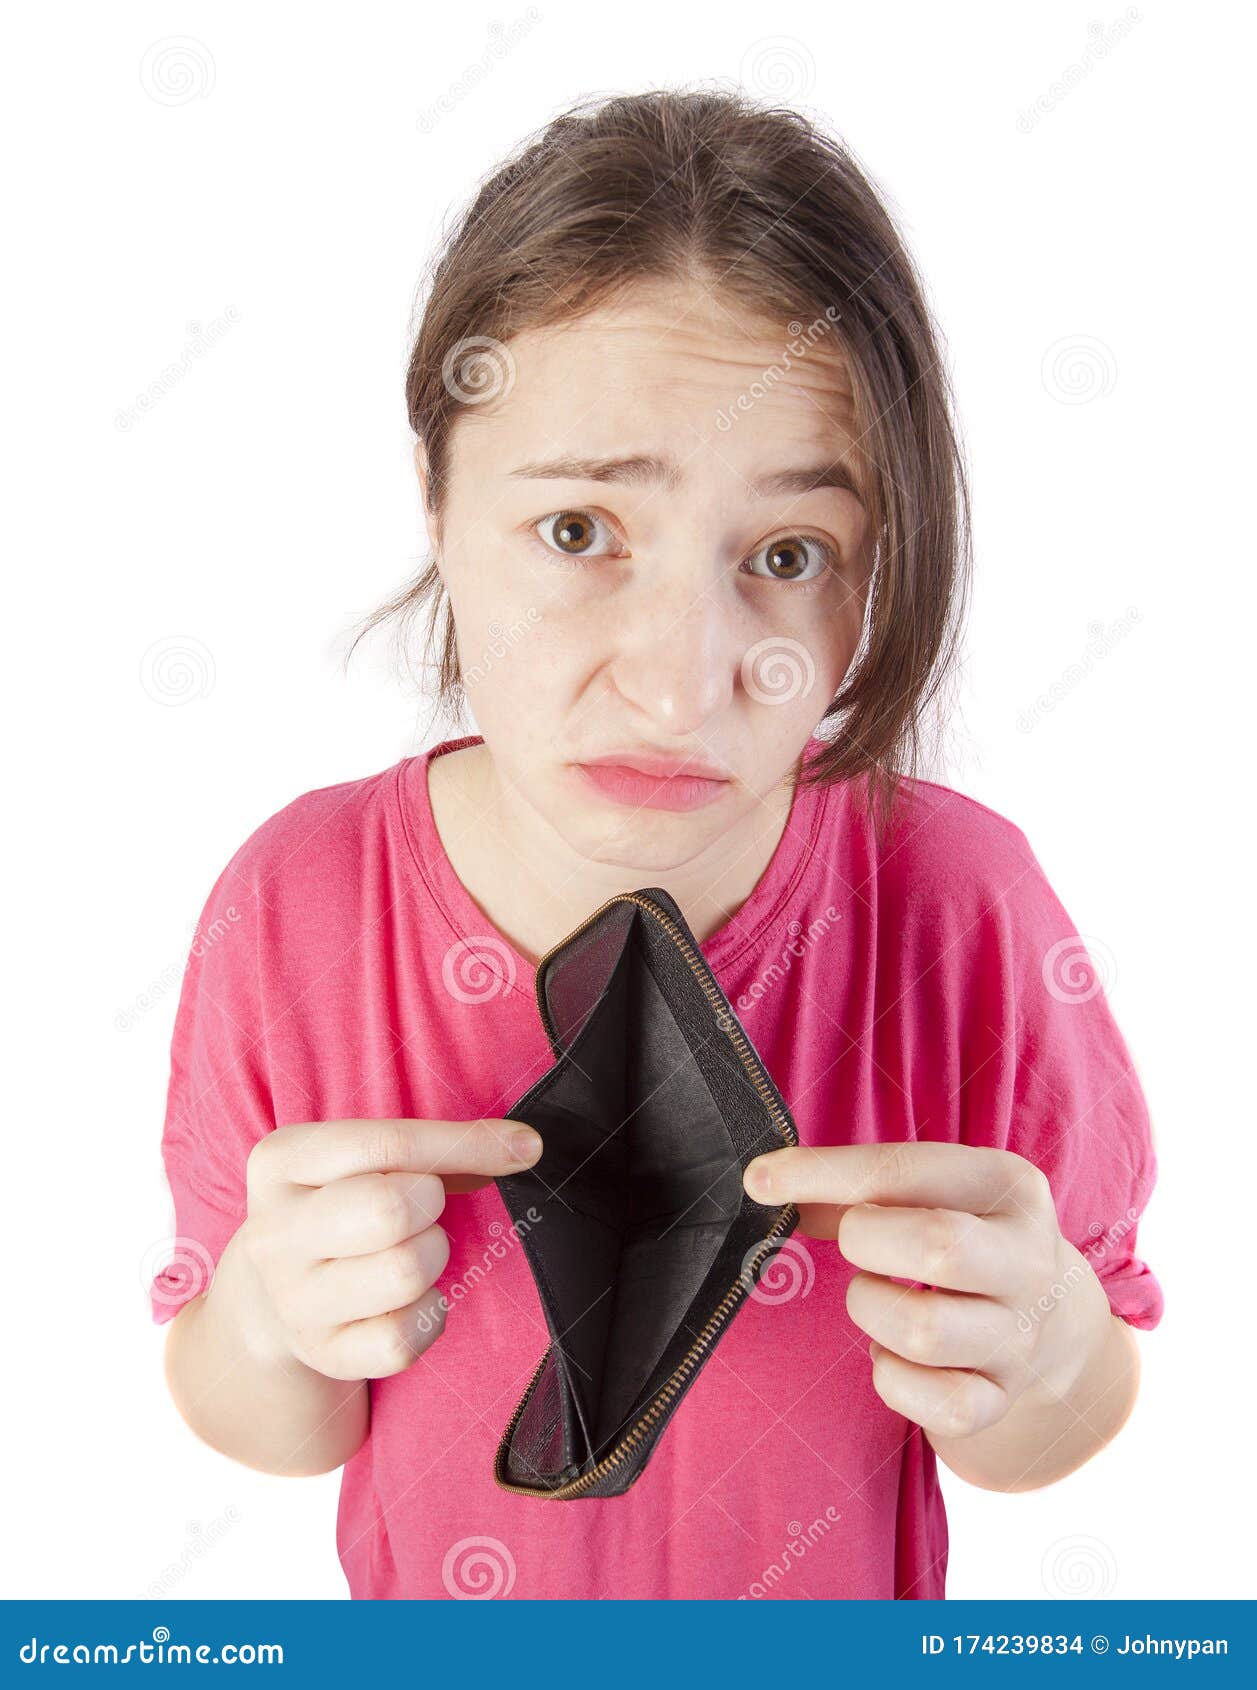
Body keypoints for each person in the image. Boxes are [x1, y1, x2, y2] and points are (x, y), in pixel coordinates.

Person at [150, 86, 1162, 1600]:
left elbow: (1051, 1420)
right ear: (435, 498)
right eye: (578, 533)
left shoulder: (961, 906)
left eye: (785, 555)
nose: (683, 682)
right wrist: (261, 1322)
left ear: (877, 560)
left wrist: (1055, 1350)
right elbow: (269, 1422)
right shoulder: (295, 908)